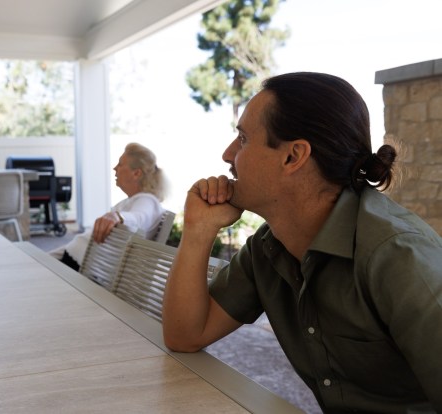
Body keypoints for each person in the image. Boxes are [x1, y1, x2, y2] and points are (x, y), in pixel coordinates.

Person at [162, 72, 442, 413]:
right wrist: (197, 231)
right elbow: (185, 336)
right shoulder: (267, 248)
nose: (227, 154)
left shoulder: (397, 257)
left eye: (243, 139)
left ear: (293, 157)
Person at [52, 142, 167, 271]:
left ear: (136, 173)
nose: (114, 168)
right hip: (75, 257)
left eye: (120, 164)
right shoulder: (134, 200)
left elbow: (139, 218)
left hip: (81, 266)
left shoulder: (147, 201)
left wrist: (117, 216)